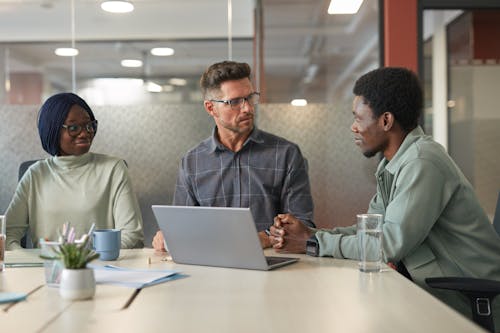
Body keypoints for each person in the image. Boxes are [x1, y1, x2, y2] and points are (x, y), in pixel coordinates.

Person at [271, 67, 500, 323]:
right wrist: (311, 236)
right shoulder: (393, 165)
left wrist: (312, 244)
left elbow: (387, 244)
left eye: (358, 118)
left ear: (386, 121)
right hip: (439, 291)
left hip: (470, 300)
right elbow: (372, 231)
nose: (353, 127)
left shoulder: (422, 162)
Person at [152, 60, 314, 251]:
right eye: (235, 102)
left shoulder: (286, 154)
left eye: (250, 97)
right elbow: (182, 225)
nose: (247, 108)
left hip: (272, 268)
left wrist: (265, 238)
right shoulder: (192, 162)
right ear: (211, 108)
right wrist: (167, 235)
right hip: (212, 269)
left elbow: (303, 226)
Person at [5, 92, 144, 249]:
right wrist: (30, 262)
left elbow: (132, 236)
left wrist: (84, 261)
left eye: (89, 125)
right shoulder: (35, 175)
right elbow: (8, 235)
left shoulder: (113, 169)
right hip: (46, 270)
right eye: (73, 128)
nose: (84, 133)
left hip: (101, 270)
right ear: (53, 130)